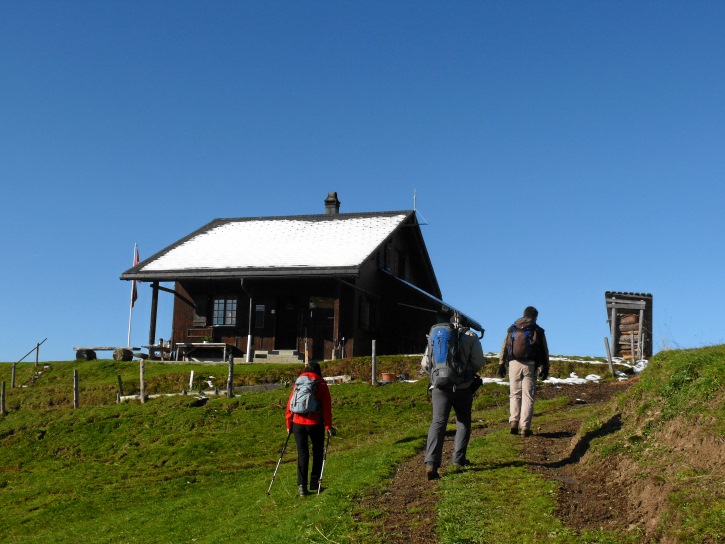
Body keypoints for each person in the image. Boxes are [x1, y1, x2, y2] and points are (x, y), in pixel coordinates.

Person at [422, 314, 486, 480]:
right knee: (463, 420)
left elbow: (425, 363)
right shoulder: (470, 336)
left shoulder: (437, 334)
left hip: (439, 387)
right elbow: (478, 362)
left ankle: (431, 463)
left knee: (438, 422)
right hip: (463, 387)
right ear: (466, 323)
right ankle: (458, 459)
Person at [285, 361, 336, 496]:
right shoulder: (321, 384)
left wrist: (289, 424)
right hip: (314, 423)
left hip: (298, 423)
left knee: (302, 454)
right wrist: (328, 426)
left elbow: (290, 404)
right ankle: (315, 482)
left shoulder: (298, 383)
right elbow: (326, 408)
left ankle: (302, 487)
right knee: (317, 452)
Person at [498, 306, 550, 437]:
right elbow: (544, 350)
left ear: (524, 314)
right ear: (535, 317)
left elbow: (505, 346)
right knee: (528, 396)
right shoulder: (537, 330)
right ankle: (525, 427)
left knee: (514, 394)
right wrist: (545, 367)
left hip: (513, 363)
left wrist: (501, 364)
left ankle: (514, 421)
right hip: (530, 365)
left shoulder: (513, 328)